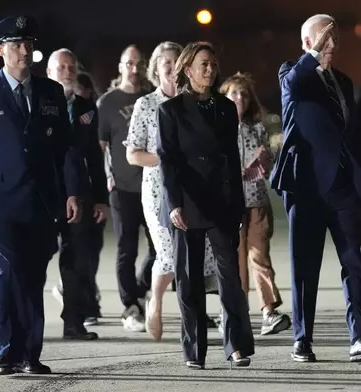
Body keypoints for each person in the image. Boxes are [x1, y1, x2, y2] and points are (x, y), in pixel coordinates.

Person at [0, 15, 81, 375]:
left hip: (41, 203)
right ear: (1, 50)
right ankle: (6, 351)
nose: (24, 51)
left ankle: (30, 353)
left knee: (32, 275)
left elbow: (66, 149)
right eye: (15, 45)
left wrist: (73, 192)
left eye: (28, 44)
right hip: (0, 204)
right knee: (9, 272)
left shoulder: (50, 93)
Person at [270, 14, 361, 363]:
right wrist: (313, 54)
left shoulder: (344, 81)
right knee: (305, 265)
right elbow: (292, 86)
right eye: (325, 38)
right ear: (307, 41)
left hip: (340, 186)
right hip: (305, 185)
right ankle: (302, 339)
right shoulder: (292, 73)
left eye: (335, 38)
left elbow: (349, 135)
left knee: (353, 260)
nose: (332, 45)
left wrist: (359, 177)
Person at [156, 42, 254, 369]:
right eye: (203, 65)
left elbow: (232, 158)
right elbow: (168, 162)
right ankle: (194, 351)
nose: (210, 70)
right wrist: (174, 203)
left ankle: (237, 346)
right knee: (189, 280)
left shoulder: (225, 107)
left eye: (213, 64)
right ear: (188, 70)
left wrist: (237, 205)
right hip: (187, 203)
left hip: (222, 202)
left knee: (231, 280)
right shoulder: (170, 110)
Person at [125, 41, 218, 341]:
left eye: (175, 60)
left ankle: (193, 316)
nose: (169, 64)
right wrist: (167, 160)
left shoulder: (196, 102)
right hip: (158, 190)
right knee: (168, 251)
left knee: (200, 252)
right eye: (164, 61)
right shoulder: (146, 105)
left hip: (195, 187)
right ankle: (156, 301)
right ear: (155, 69)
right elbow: (133, 154)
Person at [219, 72, 291, 335]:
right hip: (229, 205)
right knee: (234, 262)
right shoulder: (217, 129)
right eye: (235, 93)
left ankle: (268, 312)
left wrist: (265, 158)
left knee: (260, 256)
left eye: (244, 94)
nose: (240, 97)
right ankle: (235, 314)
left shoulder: (258, 128)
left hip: (257, 202)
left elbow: (269, 166)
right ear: (224, 97)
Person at [46, 48, 109, 337]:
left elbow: (94, 158)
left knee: (78, 257)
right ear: (49, 73)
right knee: (38, 256)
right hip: (46, 191)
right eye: (61, 67)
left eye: (71, 67)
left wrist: (101, 199)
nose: (67, 72)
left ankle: (74, 319)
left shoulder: (87, 107)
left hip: (81, 193)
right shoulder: (38, 103)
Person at [98, 45, 156, 332]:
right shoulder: (107, 103)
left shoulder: (152, 98)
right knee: (126, 250)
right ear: (121, 66)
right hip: (121, 188)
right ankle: (130, 307)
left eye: (139, 63)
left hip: (153, 187)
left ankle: (141, 288)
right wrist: (105, 179)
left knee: (160, 249)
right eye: (129, 63)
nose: (134, 69)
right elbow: (101, 146)